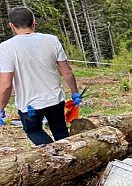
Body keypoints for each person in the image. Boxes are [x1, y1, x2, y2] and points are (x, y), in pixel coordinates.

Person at [0, 7, 82, 145]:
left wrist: (1, 108)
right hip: (55, 99)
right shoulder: (52, 40)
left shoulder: (6, 47)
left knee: (34, 131)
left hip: (29, 105)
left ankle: (55, 156)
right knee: (60, 130)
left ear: (11, 26)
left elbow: (6, 85)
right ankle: (68, 156)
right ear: (34, 22)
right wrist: (75, 93)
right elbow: (66, 71)